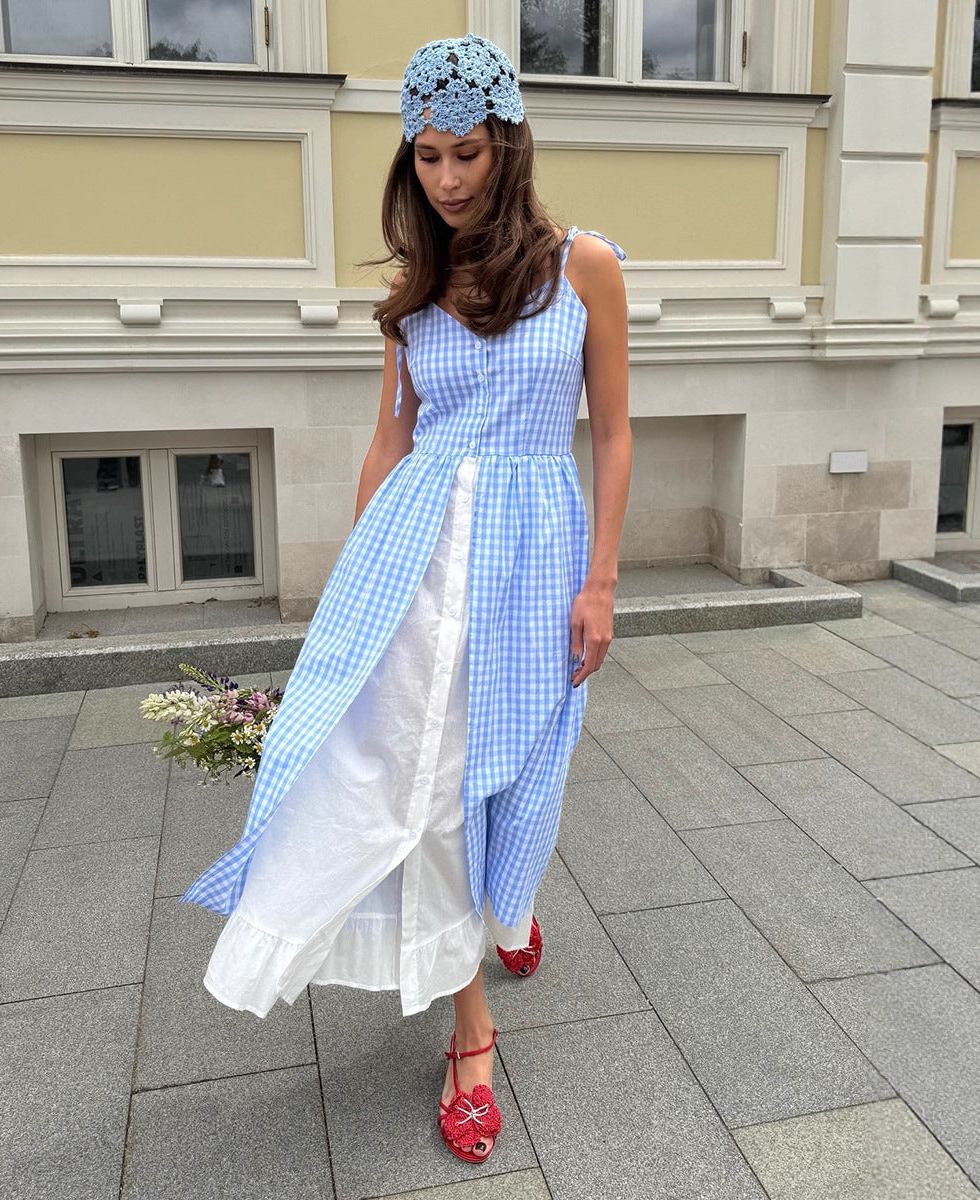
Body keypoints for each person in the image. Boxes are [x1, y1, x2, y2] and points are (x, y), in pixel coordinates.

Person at [182, 32, 633, 1165]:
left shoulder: (585, 268)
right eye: (427, 158)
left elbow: (616, 434)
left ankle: (503, 907)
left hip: (532, 560)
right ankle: (470, 1036)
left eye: (466, 152)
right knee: (422, 782)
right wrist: (354, 587)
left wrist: (602, 582)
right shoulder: (415, 293)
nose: (447, 179)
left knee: (518, 758)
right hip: (419, 562)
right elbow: (392, 442)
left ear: (508, 145)